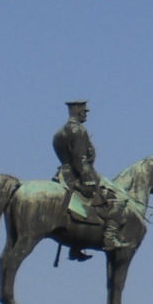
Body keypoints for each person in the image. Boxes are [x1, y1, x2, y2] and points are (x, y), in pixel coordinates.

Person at [51, 100, 128, 258]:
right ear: (78, 111)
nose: (86, 113)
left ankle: (76, 245)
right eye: (84, 111)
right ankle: (110, 238)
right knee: (117, 200)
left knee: (85, 208)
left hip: (63, 174)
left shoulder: (59, 132)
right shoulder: (78, 130)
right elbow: (80, 159)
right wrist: (88, 179)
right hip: (78, 175)